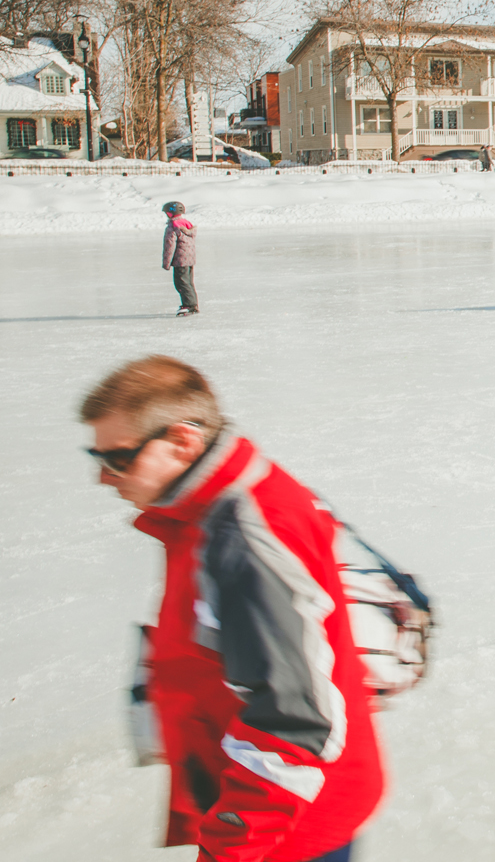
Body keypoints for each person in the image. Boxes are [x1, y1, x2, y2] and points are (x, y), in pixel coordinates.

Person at [83, 356, 385, 861]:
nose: (103, 477)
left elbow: (294, 718)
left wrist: (230, 848)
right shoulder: (208, 507)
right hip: (275, 806)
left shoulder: (241, 534)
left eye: (118, 458)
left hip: (288, 828)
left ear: (182, 442)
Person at [161, 201, 199, 317]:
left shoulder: (173, 227)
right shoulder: (187, 224)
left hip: (180, 260)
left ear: (170, 213)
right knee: (188, 282)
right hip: (189, 259)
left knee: (181, 283)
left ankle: (189, 305)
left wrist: (166, 263)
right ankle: (192, 304)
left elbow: (169, 246)